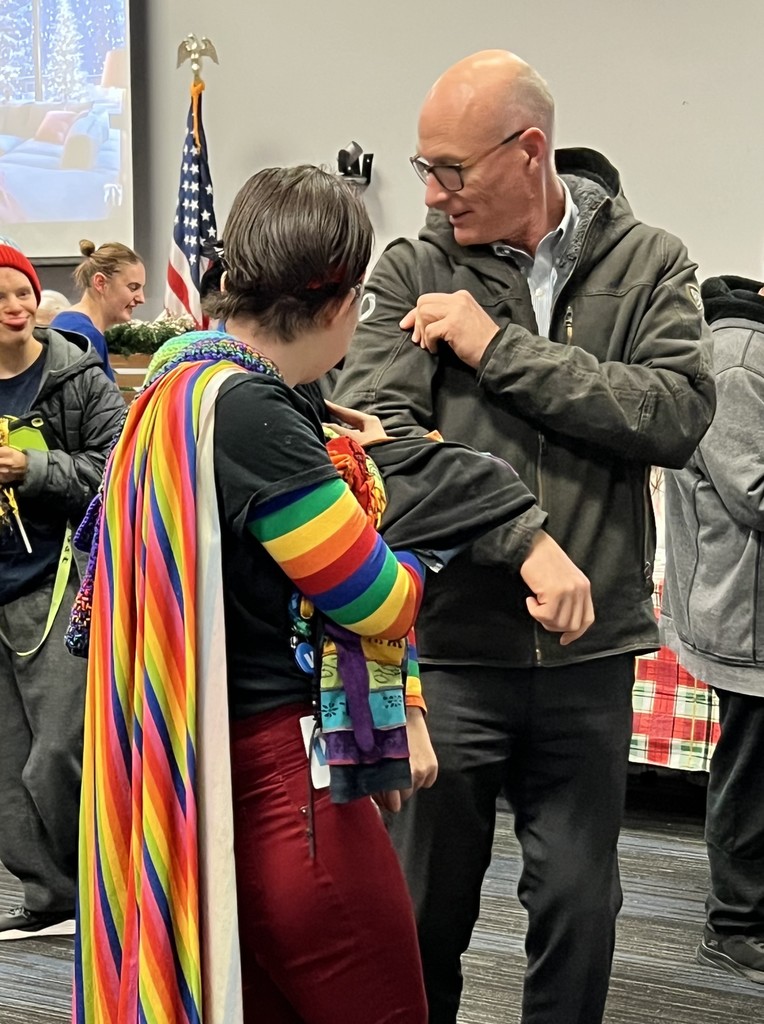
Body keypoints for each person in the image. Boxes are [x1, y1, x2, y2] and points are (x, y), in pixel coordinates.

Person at [71, 165, 542, 1024]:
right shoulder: (255, 416)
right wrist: (403, 507)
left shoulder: (181, 384)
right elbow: (379, 601)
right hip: (288, 788)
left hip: (212, 767)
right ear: (342, 302)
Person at [333, 49, 716, 1024]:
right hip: (451, 645)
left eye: (449, 169)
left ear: (528, 150)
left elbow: (672, 415)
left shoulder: (649, 262)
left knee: (579, 911)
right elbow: (382, 456)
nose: (430, 191)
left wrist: (497, 349)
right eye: (424, 167)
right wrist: (523, 536)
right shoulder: (414, 267)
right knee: (423, 916)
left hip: (588, 655)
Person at [0, 243, 125, 940]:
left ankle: (102, 885)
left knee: (57, 754)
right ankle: (50, 900)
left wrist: (34, 469)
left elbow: (119, 467)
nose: (18, 308)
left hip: (58, 591)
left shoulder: (75, 376)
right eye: (2, 298)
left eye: (23, 293)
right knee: (5, 768)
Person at [661, 274, 764, 985]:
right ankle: (733, 923)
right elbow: (753, 492)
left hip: (749, 604)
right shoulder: (736, 357)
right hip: (746, 611)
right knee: (751, 772)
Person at [50, 239, 146, 381]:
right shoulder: (83, 336)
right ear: (100, 283)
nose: (141, 298)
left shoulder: (69, 323)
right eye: (133, 287)